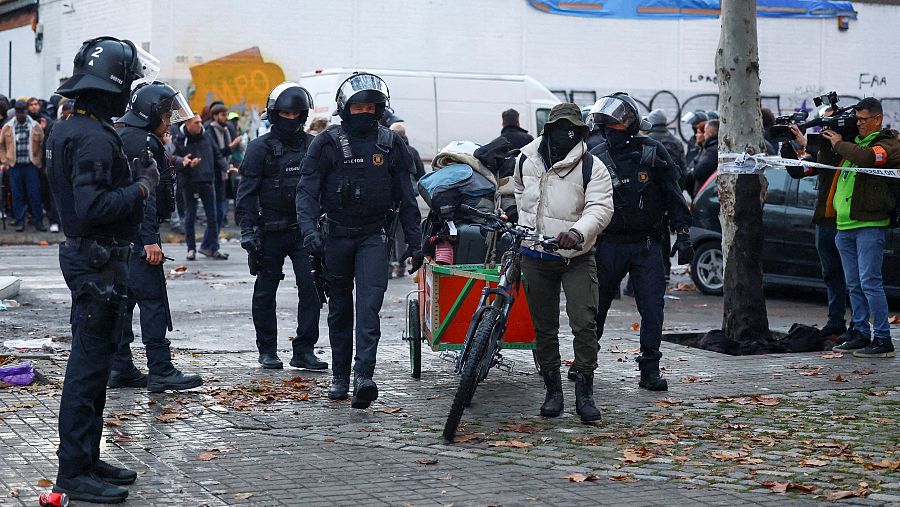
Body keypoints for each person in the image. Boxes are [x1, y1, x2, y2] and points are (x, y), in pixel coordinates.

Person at [48, 36, 160, 503]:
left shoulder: (72, 126)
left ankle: (86, 459)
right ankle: (73, 472)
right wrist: (143, 186)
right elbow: (93, 207)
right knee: (88, 368)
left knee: (93, 367)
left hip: (91, 257)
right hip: (96, 259)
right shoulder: (92, 135)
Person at [296, 72, 423, 408]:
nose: (364, 112)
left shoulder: (392, 144)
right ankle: (339, 377)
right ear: (344, 108)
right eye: (358, 107)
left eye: (371, 106)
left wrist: (415, 241)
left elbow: (408, 198)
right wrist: (308, 230)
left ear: (380, 109)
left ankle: (364, 376)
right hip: (334, 236)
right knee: (339, 310)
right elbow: (306, 191)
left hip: (373, 236)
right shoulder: (326, 143)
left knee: (369, 308)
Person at [514, 103, 613, 422]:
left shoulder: (592, 166)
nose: (564, 136)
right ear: (548, 129)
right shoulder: (525, 158)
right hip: (535, 254)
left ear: (581, 133)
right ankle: (552, 390)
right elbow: (518, 190)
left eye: (571, 130)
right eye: (558, 129)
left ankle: (585, 391)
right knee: (544, 328)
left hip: (577, 257)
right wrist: (524, 223)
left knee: (584, 322)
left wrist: (577, 231)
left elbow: (601, 208)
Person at [589, 92, 693, 391]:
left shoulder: (652, 152)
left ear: (631, 126)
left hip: (647, 245)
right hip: (608, 244)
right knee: (597, 307)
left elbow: (674, 196)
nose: (612, 133)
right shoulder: (596, 157)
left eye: (617, 127)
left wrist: (683, 234)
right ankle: (586, 363)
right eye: (607, 127)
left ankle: (649, 369)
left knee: (652, 309)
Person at [107, 81, 203, 392]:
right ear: (151, 112)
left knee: (124, 304)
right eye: (165, 113)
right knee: (152, 302)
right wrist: (149, 239)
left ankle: (120, 367)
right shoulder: (143, 142)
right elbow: (144, 196)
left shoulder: (126, 135)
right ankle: (160, 369)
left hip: (121, 236)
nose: (169, 120)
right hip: (138, 236)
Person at [235, 82, 327, 371]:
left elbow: (326, 187)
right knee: (265, 291)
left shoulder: (314, 145)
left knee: (312, 287)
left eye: (295, 114)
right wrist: (247, 230)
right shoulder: (258, 148)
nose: (290, 119)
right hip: (269, 230)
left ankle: (304, 350)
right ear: (274, 115)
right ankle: (267, 349)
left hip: (304, 230)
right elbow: (246, 193)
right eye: (284, 113)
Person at [822, 98, 899, 357]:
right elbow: (826, 161)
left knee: (870, 283)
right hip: (844, 225)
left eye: (863, 120)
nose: (859, 125)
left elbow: (868, 158)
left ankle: (883, 339)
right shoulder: (854, 143)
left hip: (870, 224)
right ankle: (860, 332)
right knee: (853, 284)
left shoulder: (888, 144)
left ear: (877, 118)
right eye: (857, 120)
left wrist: (840, 143)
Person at [783, 117, 848, 339]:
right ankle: (836, 321)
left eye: (828, 127)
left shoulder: (852, 150)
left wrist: (806, 142)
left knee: (855, 277)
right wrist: (787, 149)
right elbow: (798, 172)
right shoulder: (823, 154)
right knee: (830, 273)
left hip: (847, 221)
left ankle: (860, 325)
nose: (824, 131)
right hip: (825, 221)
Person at [172, 114, 229, 260]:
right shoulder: (179, 139)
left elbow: (217, 155)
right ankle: (191, 249)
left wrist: (226, 168)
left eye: (200, 122)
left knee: (213, 216)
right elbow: (172, 158)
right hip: (189, 182)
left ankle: (213, 248)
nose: (200, 125)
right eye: (196, 123)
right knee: (190, 216)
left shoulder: (206, 136)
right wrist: (185, 163)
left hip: (207, 180)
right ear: (187, 123)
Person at [0, 99, 45, 231]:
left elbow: (43, 144)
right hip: (15, 166)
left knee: (34, 194)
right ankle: (20, 222)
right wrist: (5, 160)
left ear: (26, 111)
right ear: (15, 112)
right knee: (17, 195)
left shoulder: (35, 126)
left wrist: (39, 160)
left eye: (23, 111)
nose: (21, 114)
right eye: (18, 112)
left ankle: (39, 221)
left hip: (31, 165)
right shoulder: (8, 127)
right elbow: (1, 145)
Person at [388, 121, 426, 276]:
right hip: (408, 197)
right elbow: (421, 175)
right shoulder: (412, 151)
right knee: (403, 232)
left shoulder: (385, 150)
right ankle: (402, 263)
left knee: (389, 231)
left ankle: (389, 265)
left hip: (390, 199)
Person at [207, 104, 240, 229]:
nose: (225, 118)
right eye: (223, 115)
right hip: (214, 173)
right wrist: (231, 146)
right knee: (216, 209)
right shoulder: (210, 131)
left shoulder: (225, 130)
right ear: (215, 116)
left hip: (224, 172)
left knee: (221, 206)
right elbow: (216, 153)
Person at [689, 119, 719, 198]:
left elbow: (698, 171)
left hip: (705, 193)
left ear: (710, 133)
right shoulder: (709, 148)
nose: (704, 134)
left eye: (705, 131)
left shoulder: (711, 151)